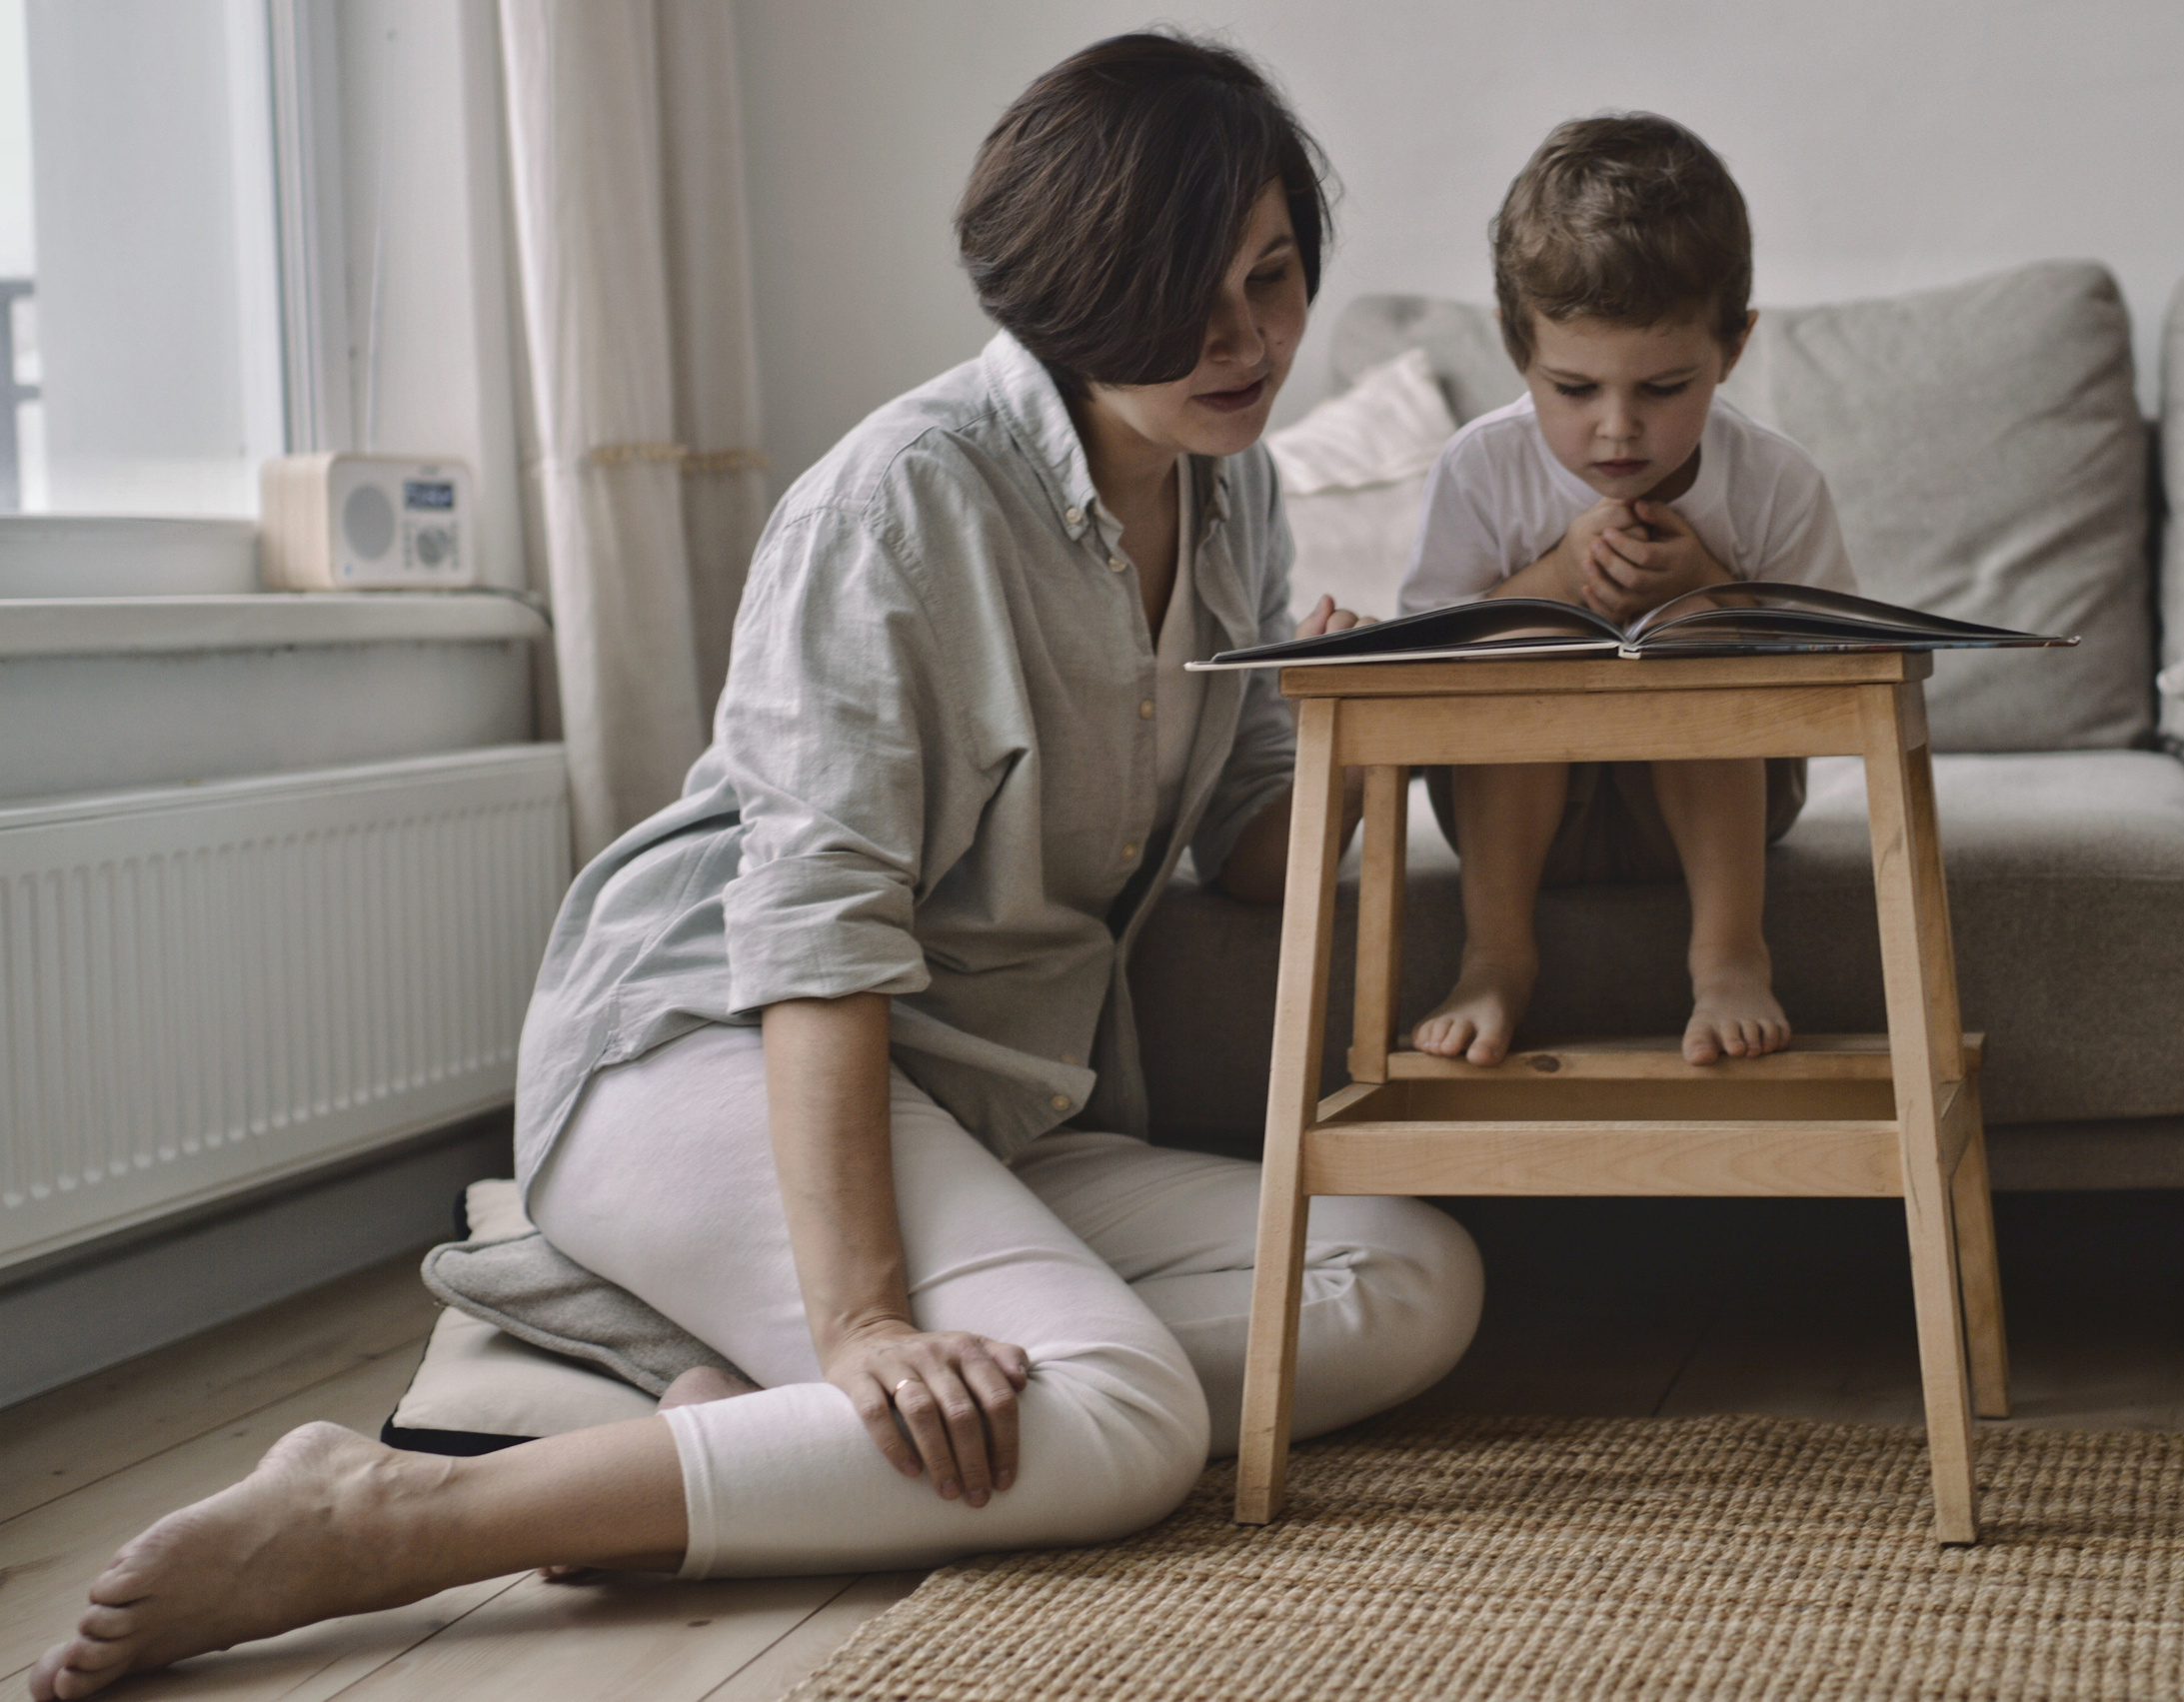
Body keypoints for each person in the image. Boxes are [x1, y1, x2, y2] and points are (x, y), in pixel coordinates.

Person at [30, 35, 1481, 1699]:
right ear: (1067, 290)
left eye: (1275, 276)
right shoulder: (900, 501)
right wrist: (864, 1319)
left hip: (976, 1095)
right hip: (702, 1051)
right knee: (1131, 1422)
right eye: (1186, 295)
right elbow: (812, 937)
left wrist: (1373, 725)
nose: (1248, 340)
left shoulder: (1239, 499)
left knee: (1406, 1276)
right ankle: (396, 1510)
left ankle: (736, 1414)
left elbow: (1251, 857)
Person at [1398, 114, 1860, 1070]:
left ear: (1732, 349)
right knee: (1517, 664)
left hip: (1708, 805)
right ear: (1516, 347)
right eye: (1572, 389)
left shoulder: (1771, 480)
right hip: (1521, 814)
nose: (1616, 431)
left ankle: (1730, 956)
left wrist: (1710, 594)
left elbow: (1844, 686)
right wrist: (1554, 583)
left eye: (1663, 388)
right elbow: (1420, 676)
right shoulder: (1484, 468)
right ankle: (1496, 957)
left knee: (1692, 659)